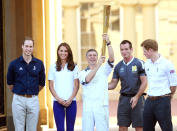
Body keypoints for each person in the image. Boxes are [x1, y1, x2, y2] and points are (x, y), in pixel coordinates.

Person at [7, 37, 45, 131]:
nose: (28, 49)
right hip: (18, 100)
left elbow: (41, 83)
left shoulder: (39, 64)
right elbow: (10, 84)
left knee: (32, 129)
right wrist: (20, 92)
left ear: (33, 48)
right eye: (26, 46)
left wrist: (32, 92)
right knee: (19, 128)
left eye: (31, 46)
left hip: (33, 100)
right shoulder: (13, 64)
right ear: (22, 47)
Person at [108, 40, 147, 131]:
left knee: (139, 128)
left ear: (131, 49)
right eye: (122, 49)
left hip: (138, 99)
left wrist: (136, 97)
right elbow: (113, 84)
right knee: (122, 127)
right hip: (124, 100)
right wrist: (100, 85)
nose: (124, 52)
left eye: (126, 49)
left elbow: (144, 82)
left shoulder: (139, 63)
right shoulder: (118, 66)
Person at [79, 33, 114, 131]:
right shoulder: (82, 73)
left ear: (97, 56)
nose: (92, 57)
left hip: (101, 106)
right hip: (88, 107)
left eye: (95, 55)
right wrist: (98, 64)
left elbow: (111, 59)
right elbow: (88, 79)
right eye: (90, 55)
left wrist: (108, 42)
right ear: (86, 58)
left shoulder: (104, 70)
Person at [141, 39, 177, 131]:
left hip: (163, 101)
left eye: (145, 51)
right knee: (147, 128)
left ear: (150, 50)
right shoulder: (147, 64)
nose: (143, 53)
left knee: (166, 128)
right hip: (149, 101)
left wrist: (167, 97)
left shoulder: (167, 64)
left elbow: (173, 85)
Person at [48, 42, 79, 131]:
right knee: (60, 129)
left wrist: (70, 99)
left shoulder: (74, 67)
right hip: (57, 102)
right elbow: (51, 86)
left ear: (68, 53)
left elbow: (76, 85)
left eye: (65, 51)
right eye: (61, 50)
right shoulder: (53, 67)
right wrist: (59, 99)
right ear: (58, 52)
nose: (63, 53)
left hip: (71, 102)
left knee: (70, 128)